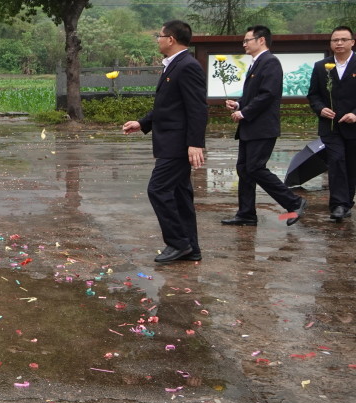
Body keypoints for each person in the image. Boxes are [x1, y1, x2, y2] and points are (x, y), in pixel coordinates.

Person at [121, 20, 208, 264]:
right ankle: (191, 247)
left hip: (178, 144)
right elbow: (168, 107)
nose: (157, 39)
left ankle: (178, 243)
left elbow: (197, 108)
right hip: (170, 140)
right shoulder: (174, 65)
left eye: (159, 36)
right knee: (180, 195)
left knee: (157, 189)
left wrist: (195, 143)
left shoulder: (187, 66)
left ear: (171, 39)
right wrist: (142, 123)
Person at [221, 26, 306, 226]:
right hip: (250, 128)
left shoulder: (270, 62)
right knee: (244, 168)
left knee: (255, 168)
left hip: (262, 128)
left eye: (247, 40)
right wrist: (239, 104)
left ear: (261, 40)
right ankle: (246, 214)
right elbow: (254, 95)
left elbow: (268, 95)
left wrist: (244, 112)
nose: (244, 44)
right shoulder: (256, 63)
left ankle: (295, 202)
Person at [306, 26, 356, 221]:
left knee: (351, 165)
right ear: (330, 43)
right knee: (336, 161)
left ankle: (346, 203)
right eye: (335, 40)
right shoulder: (321, 66)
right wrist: (320, 109)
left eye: (344, 39)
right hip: (331, 126)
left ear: (352, 42)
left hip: (353, 125)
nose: (339, 43)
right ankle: (337, 204)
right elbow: (313, 94)